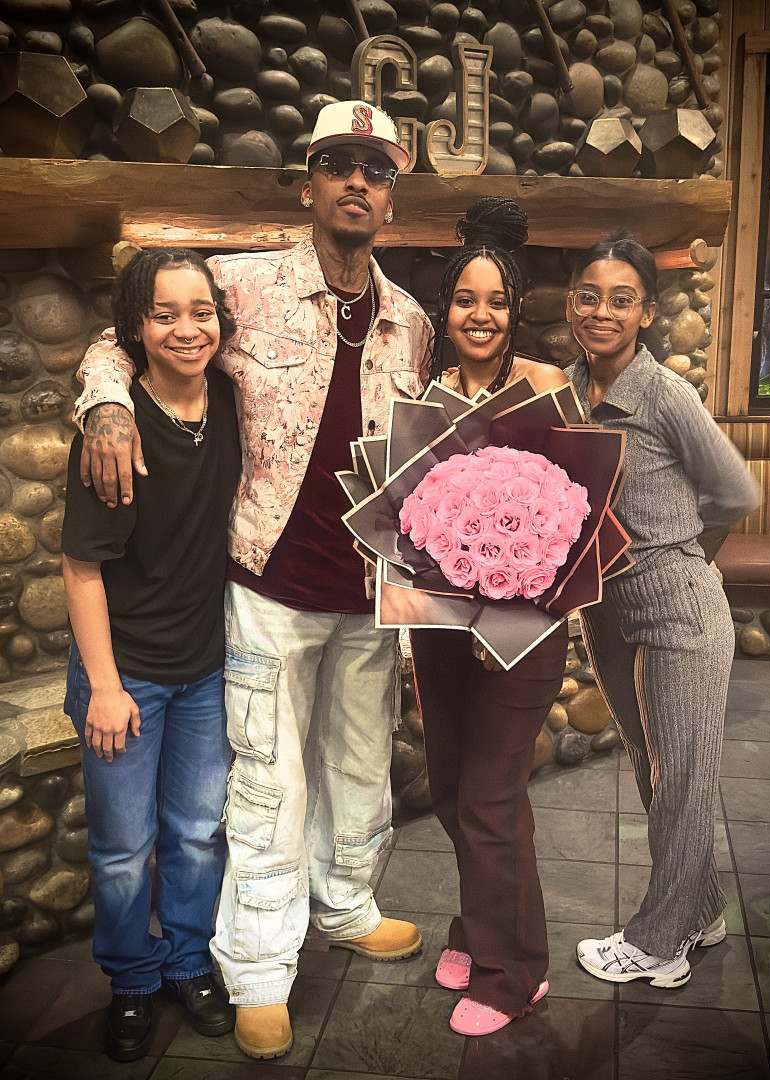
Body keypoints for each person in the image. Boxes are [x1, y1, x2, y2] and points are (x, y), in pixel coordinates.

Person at [71, 101, 433, 1061]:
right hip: (269, 586)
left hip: (370, 592)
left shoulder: (411, 321)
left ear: (390, 196)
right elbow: (119, 337)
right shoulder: (238, 285)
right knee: (266, 782)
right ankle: (261, 968)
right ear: (308, 183)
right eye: (339, 164)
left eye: (376, 169)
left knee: (359, 765)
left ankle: (345, 905)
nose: (357, 182)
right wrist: (107, 406)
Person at [563, 235, 761, 986]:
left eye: (622, 300)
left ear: (646, 313)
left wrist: (682, 559)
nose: (602, 311)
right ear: (570, 305)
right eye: (589, 296)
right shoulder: (565, 390)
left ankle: (659, 942)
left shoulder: (664, 394)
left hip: (678, 609)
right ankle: (699, 909)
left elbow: (735, 492)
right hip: (607, 611)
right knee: (653, 769)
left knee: (682, 776)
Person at [62, 248, 241, 1061]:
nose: (186, 329)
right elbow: (81, 567)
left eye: (200, 311)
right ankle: (132, 978)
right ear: (134, 327)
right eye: (164, 314)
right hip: (124, 671)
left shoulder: (233, 399)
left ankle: (187, 961)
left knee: (197, 832)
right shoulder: (113, 429)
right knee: (124, 848)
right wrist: (103, 686)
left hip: (204, 667)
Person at [409, 197, 570, 1036]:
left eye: (497, 301)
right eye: (466, 300)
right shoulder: (422, 395)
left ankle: (514, 975)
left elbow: (580, 512)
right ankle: (477, 928)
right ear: (446, 310)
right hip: (439, 624)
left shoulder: (545, 386)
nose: (481, 315)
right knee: (452, 788)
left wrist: (522, 592)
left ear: (516, 310)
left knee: (489, 800)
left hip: (523, 629)